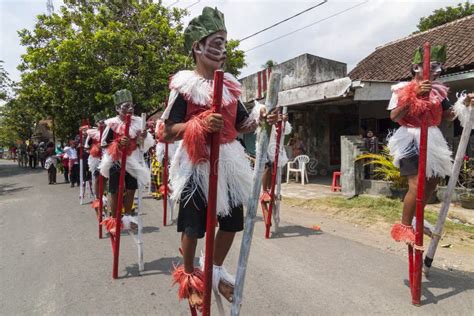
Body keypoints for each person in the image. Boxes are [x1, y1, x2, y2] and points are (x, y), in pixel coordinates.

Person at [161, 7, 278, 309]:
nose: (222, 49)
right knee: (192, 224)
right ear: (197, 47)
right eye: (215, 42)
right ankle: (190, 276)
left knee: (233, 221)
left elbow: (241, 124)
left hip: (227, 160)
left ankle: (212, 269)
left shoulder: (229, 86)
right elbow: (166, 131)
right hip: (195, 161)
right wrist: (196, 124)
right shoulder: (184, 86)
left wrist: (261, 117)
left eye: (224, 42)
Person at [388, 45, 473, 244]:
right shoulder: (401, 88)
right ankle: (405, 226)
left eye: (440, 67)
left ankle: (417, 219)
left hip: (433, 137)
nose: (438, 71)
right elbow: (394, 116)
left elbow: (448, 116)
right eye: (434, 66)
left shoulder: (439, 92)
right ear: (417, 67)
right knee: (416, 185)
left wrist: (464, 103)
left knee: (433, 182)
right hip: (410, 138)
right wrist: (413, 94)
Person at [99, 89, 154, 234]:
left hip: (134, 160)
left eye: (131, 106)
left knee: (131, 190)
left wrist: (143, 136)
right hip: (116, 160)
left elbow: (144, 145)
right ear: (118, 109)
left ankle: (128, 217)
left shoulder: (138, 122)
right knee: (115, 190)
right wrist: (117, 143)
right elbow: (103, 144)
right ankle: (114, 219)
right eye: (125, 106)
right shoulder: (111, 124)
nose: (129, 109)